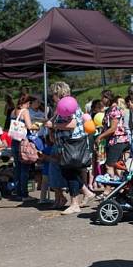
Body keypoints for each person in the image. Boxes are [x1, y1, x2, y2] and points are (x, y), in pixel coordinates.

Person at [47, 82, 95, 214]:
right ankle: (86, 192)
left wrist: (53, 125)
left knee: (70, 172)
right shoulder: (67, 104)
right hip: (68, 144)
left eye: (53, 95)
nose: (52, 97)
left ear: (58, 93)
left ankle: (75, 204)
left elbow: (72, 124)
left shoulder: (67, 105)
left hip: (71, 144)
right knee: (69, 172)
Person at [96, 90, 131, 198]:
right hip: (113, 141)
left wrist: (100, 137)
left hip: (118, 141)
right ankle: (120, 189)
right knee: (116, 166)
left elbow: (113, 128)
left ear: (108, 98)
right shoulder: (109, 110)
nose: (102, 100)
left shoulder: (114, 110)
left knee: (109, 165)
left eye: (103, 98)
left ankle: (108, 190)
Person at [11, 94, 36, 200]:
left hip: (14, 141)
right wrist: (37, 126)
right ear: (27, 103)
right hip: (22, 142)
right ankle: (24, 194)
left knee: (17, 168)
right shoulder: (25, 111)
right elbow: (30, 126)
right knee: (24, 168)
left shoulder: (13, 111)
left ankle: (18, 192)